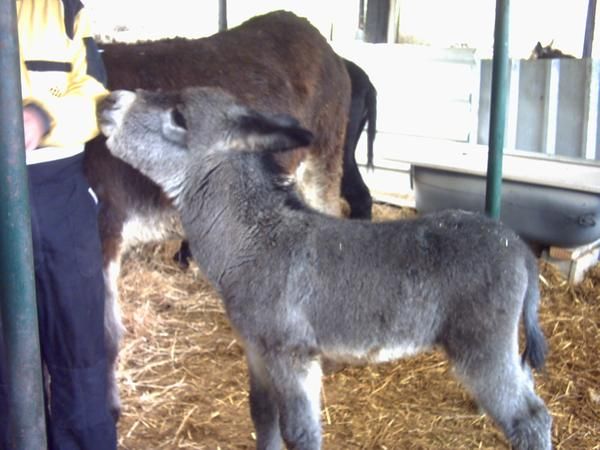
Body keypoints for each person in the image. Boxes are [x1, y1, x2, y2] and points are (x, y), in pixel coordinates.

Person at [0, 1, 115, 449]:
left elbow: (96, 91)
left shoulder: (62, 7)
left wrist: (42, 117)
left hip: (58, 188)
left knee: (80, 353)